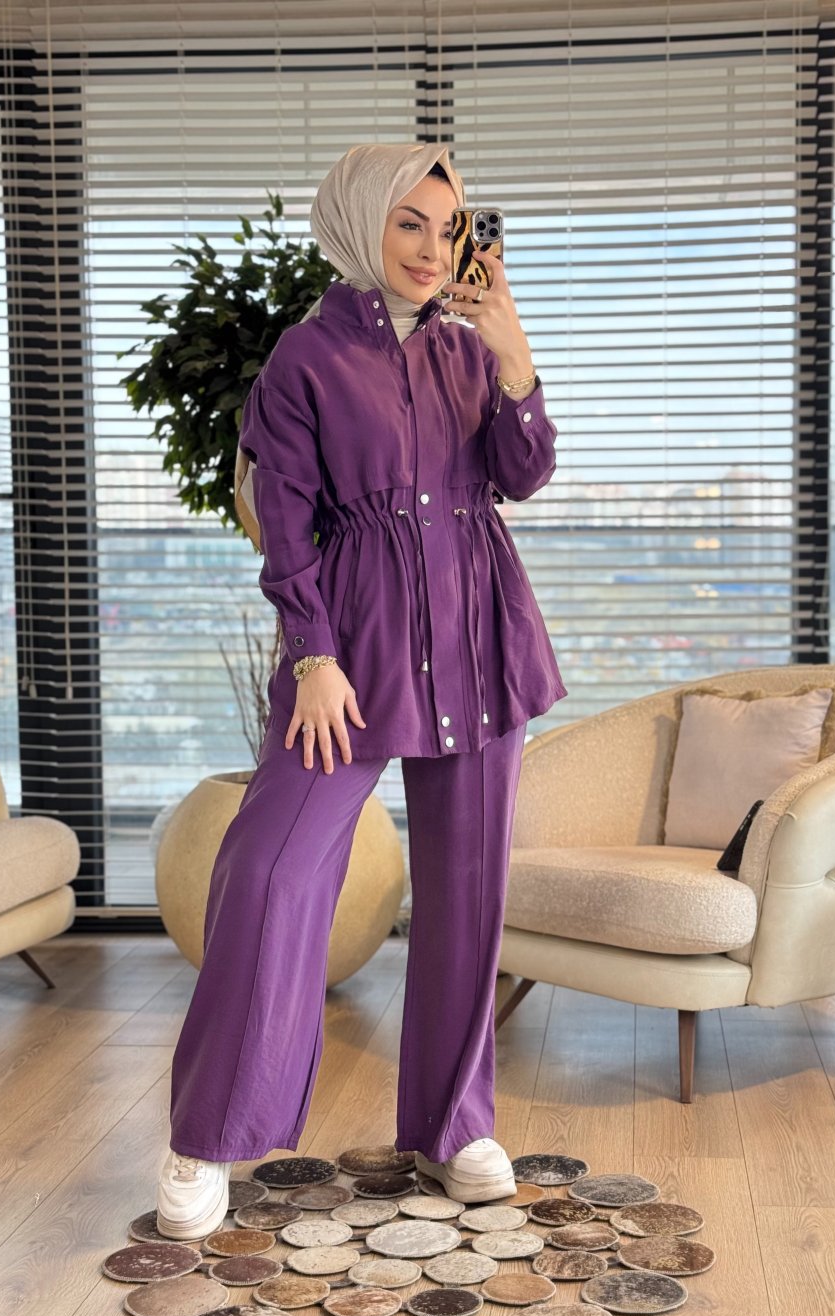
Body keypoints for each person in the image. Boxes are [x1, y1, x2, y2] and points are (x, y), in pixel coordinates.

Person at [156, 142, 567, 1241]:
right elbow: (285, 518)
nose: (433, 249)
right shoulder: (305, 358)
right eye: (409, 223)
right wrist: (313, 654)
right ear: (359, 222)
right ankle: (206, 1132)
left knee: (468, 887)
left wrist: (515, 355)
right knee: (269, 866)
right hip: (351, 643)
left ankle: (454, 1124)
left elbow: (523, 473)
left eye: (449, 227)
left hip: (477, 633)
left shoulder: (470, 348)